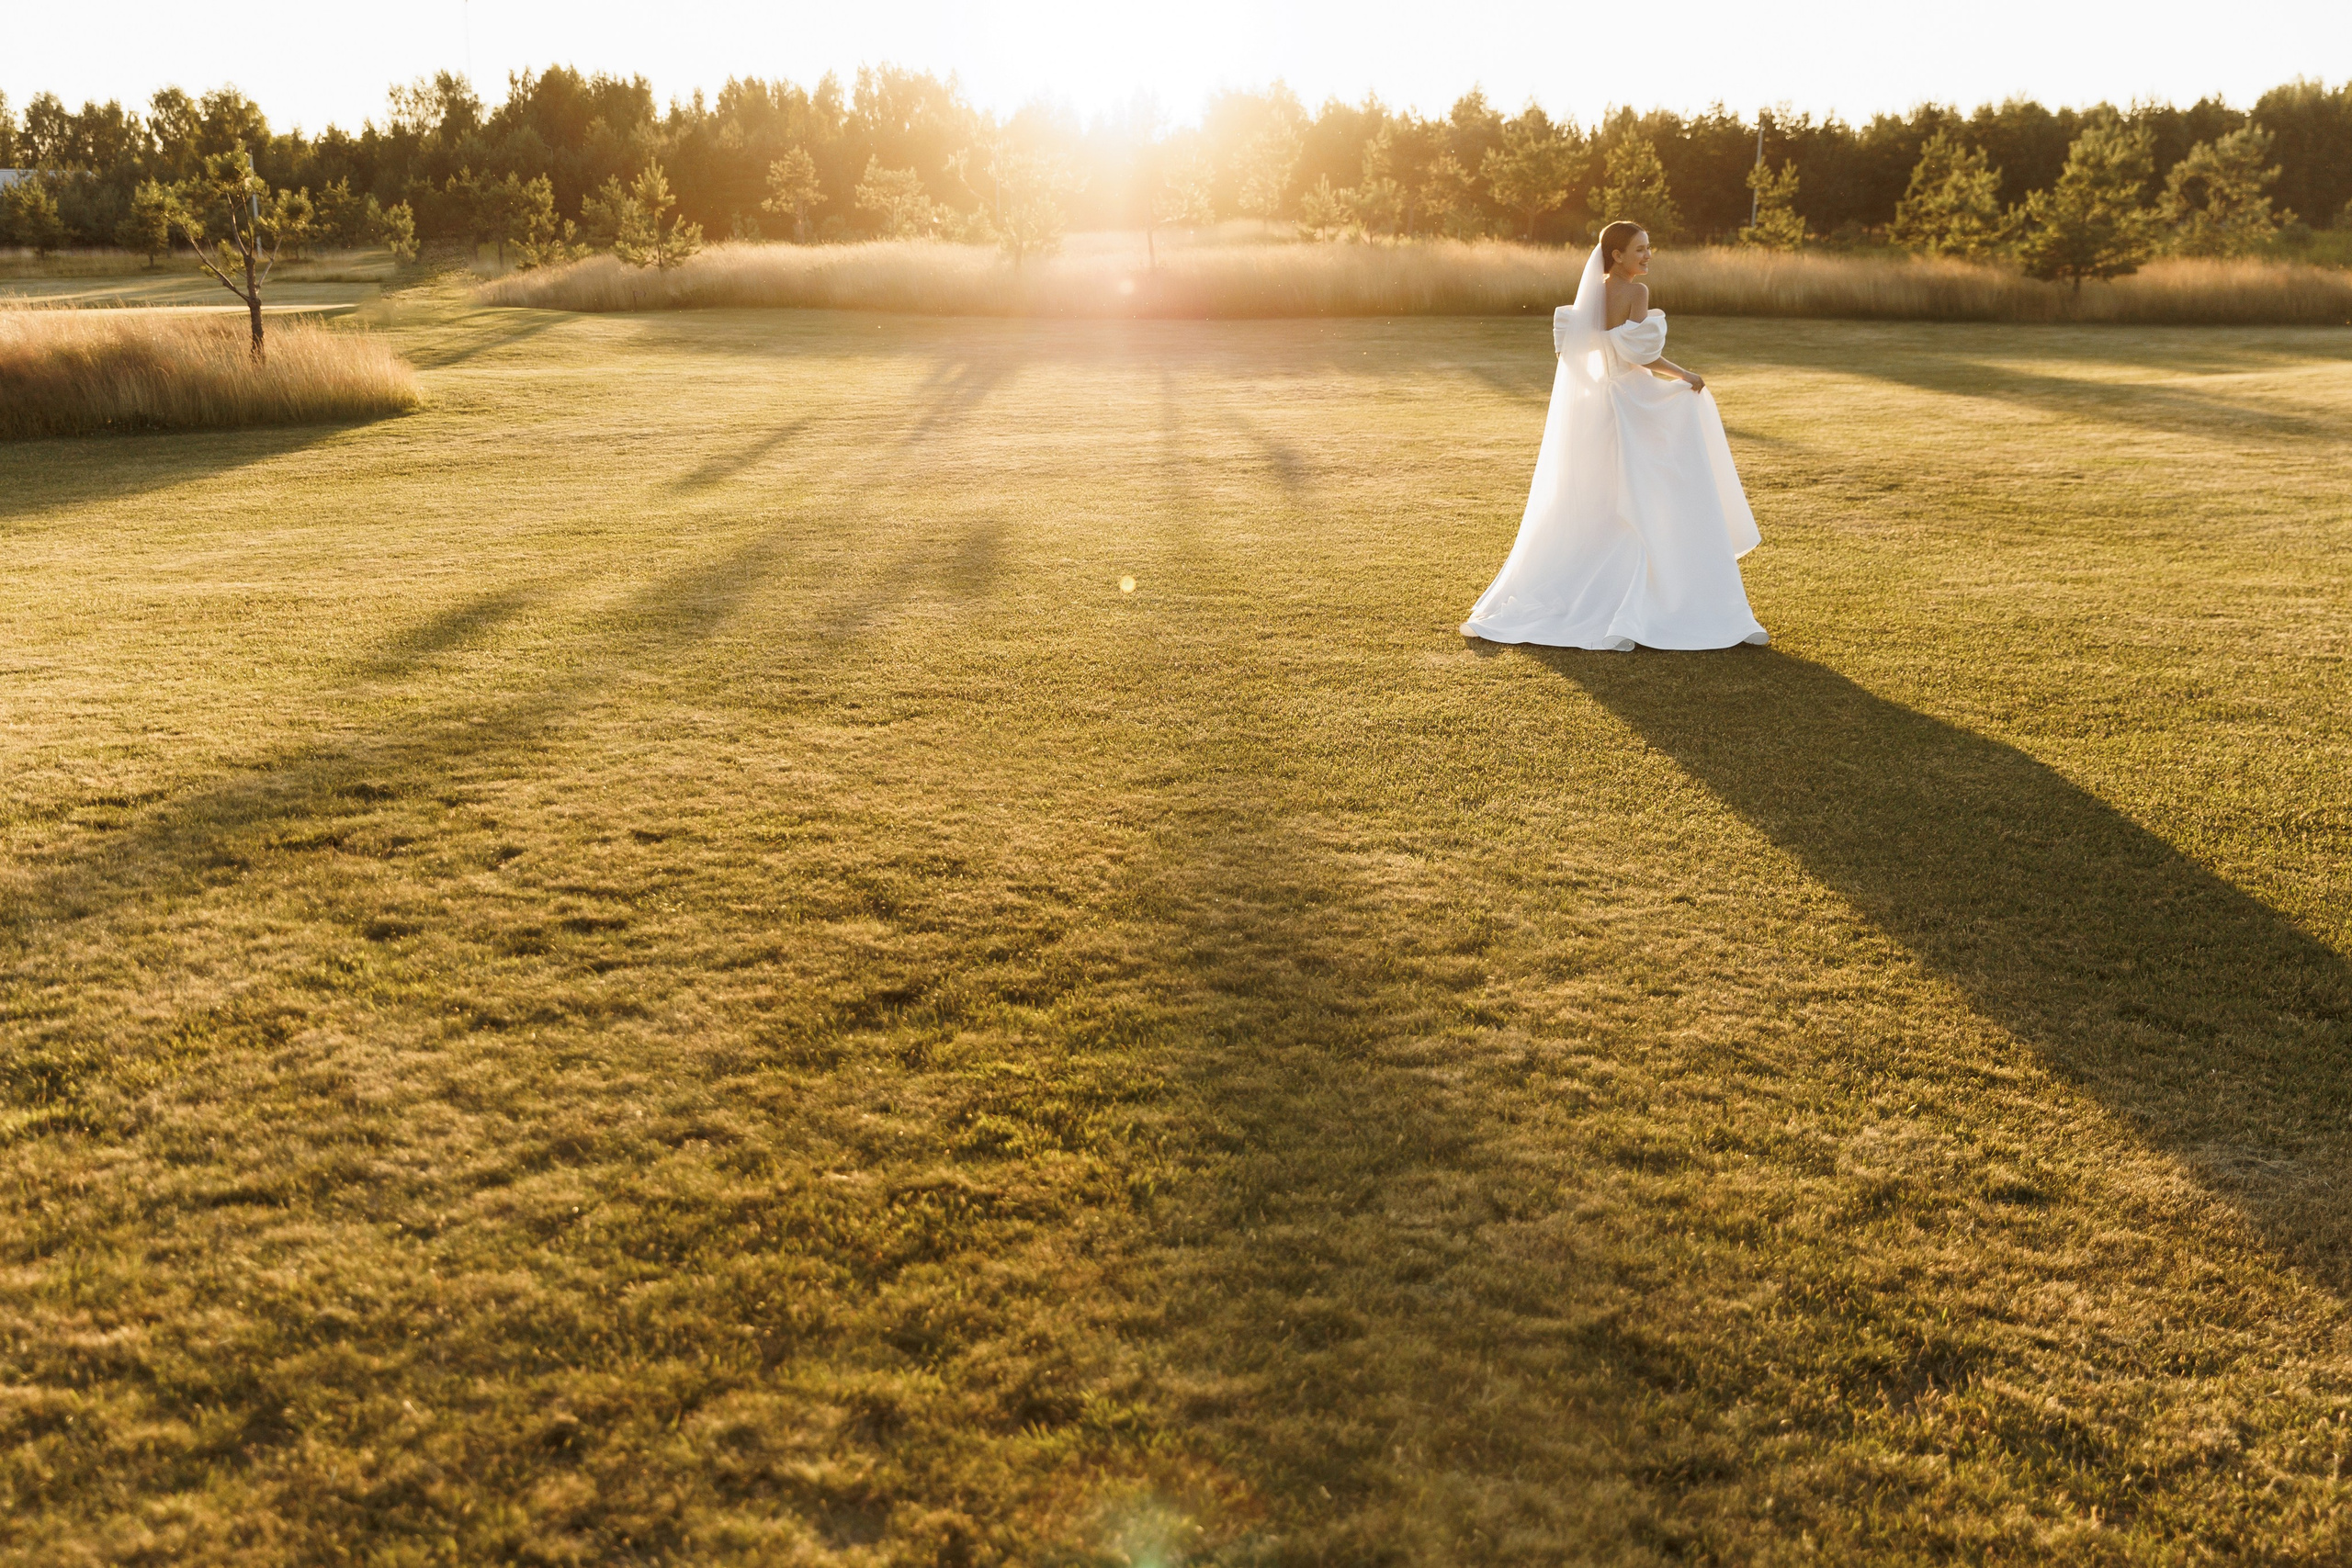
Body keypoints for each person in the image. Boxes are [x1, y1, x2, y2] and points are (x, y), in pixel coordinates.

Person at [1460, 220, 1770, 651]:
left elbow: (1579, 353)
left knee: (1602, 497)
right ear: (1617, 255)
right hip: (1628, 403)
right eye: (1639, 249)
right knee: (1653, 490)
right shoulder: (1636, 294)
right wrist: (1685, 375)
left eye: (1648, 248)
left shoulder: (1589, 294)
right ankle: (1663, 599)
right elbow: (1643, 357)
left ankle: (1595, 594)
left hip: (1594, 408)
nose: (1647, 256)